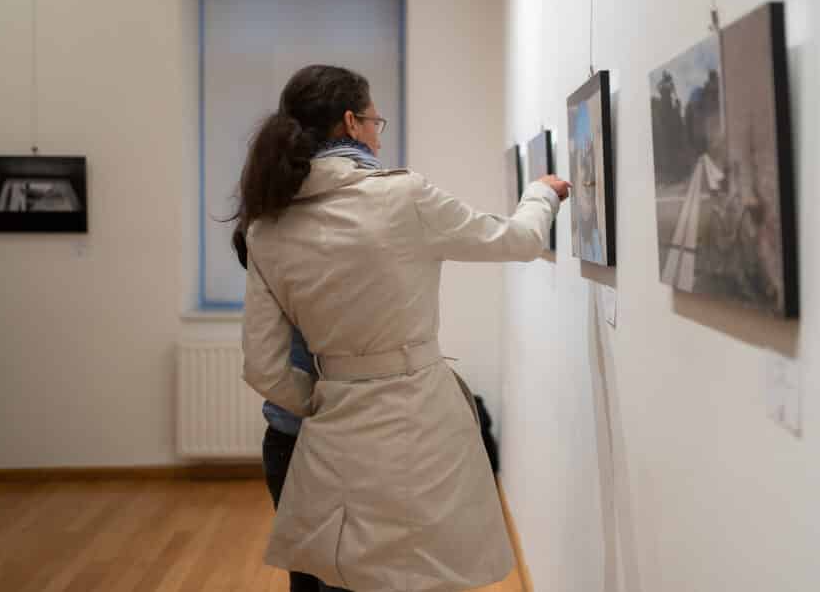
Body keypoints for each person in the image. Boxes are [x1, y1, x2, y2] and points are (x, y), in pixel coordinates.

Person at [232, 65, 569, 592]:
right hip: (416, 427)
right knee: (418, 576)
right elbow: (519, 241)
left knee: (327, 579)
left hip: (325, 435)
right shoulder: (401, 196)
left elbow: (263, 367)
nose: (378, 134)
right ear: (351, 122)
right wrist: (541, 194)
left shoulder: (266, 225)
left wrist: (326, 397)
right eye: (375, 122)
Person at [232, 228, 343, 592]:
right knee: (334, 575)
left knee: (311, 573)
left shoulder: (268, 242)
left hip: (290, 439)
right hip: (321, 442)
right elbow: (263, 369)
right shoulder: (304, 250)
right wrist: (325, 406)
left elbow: (263, 368)